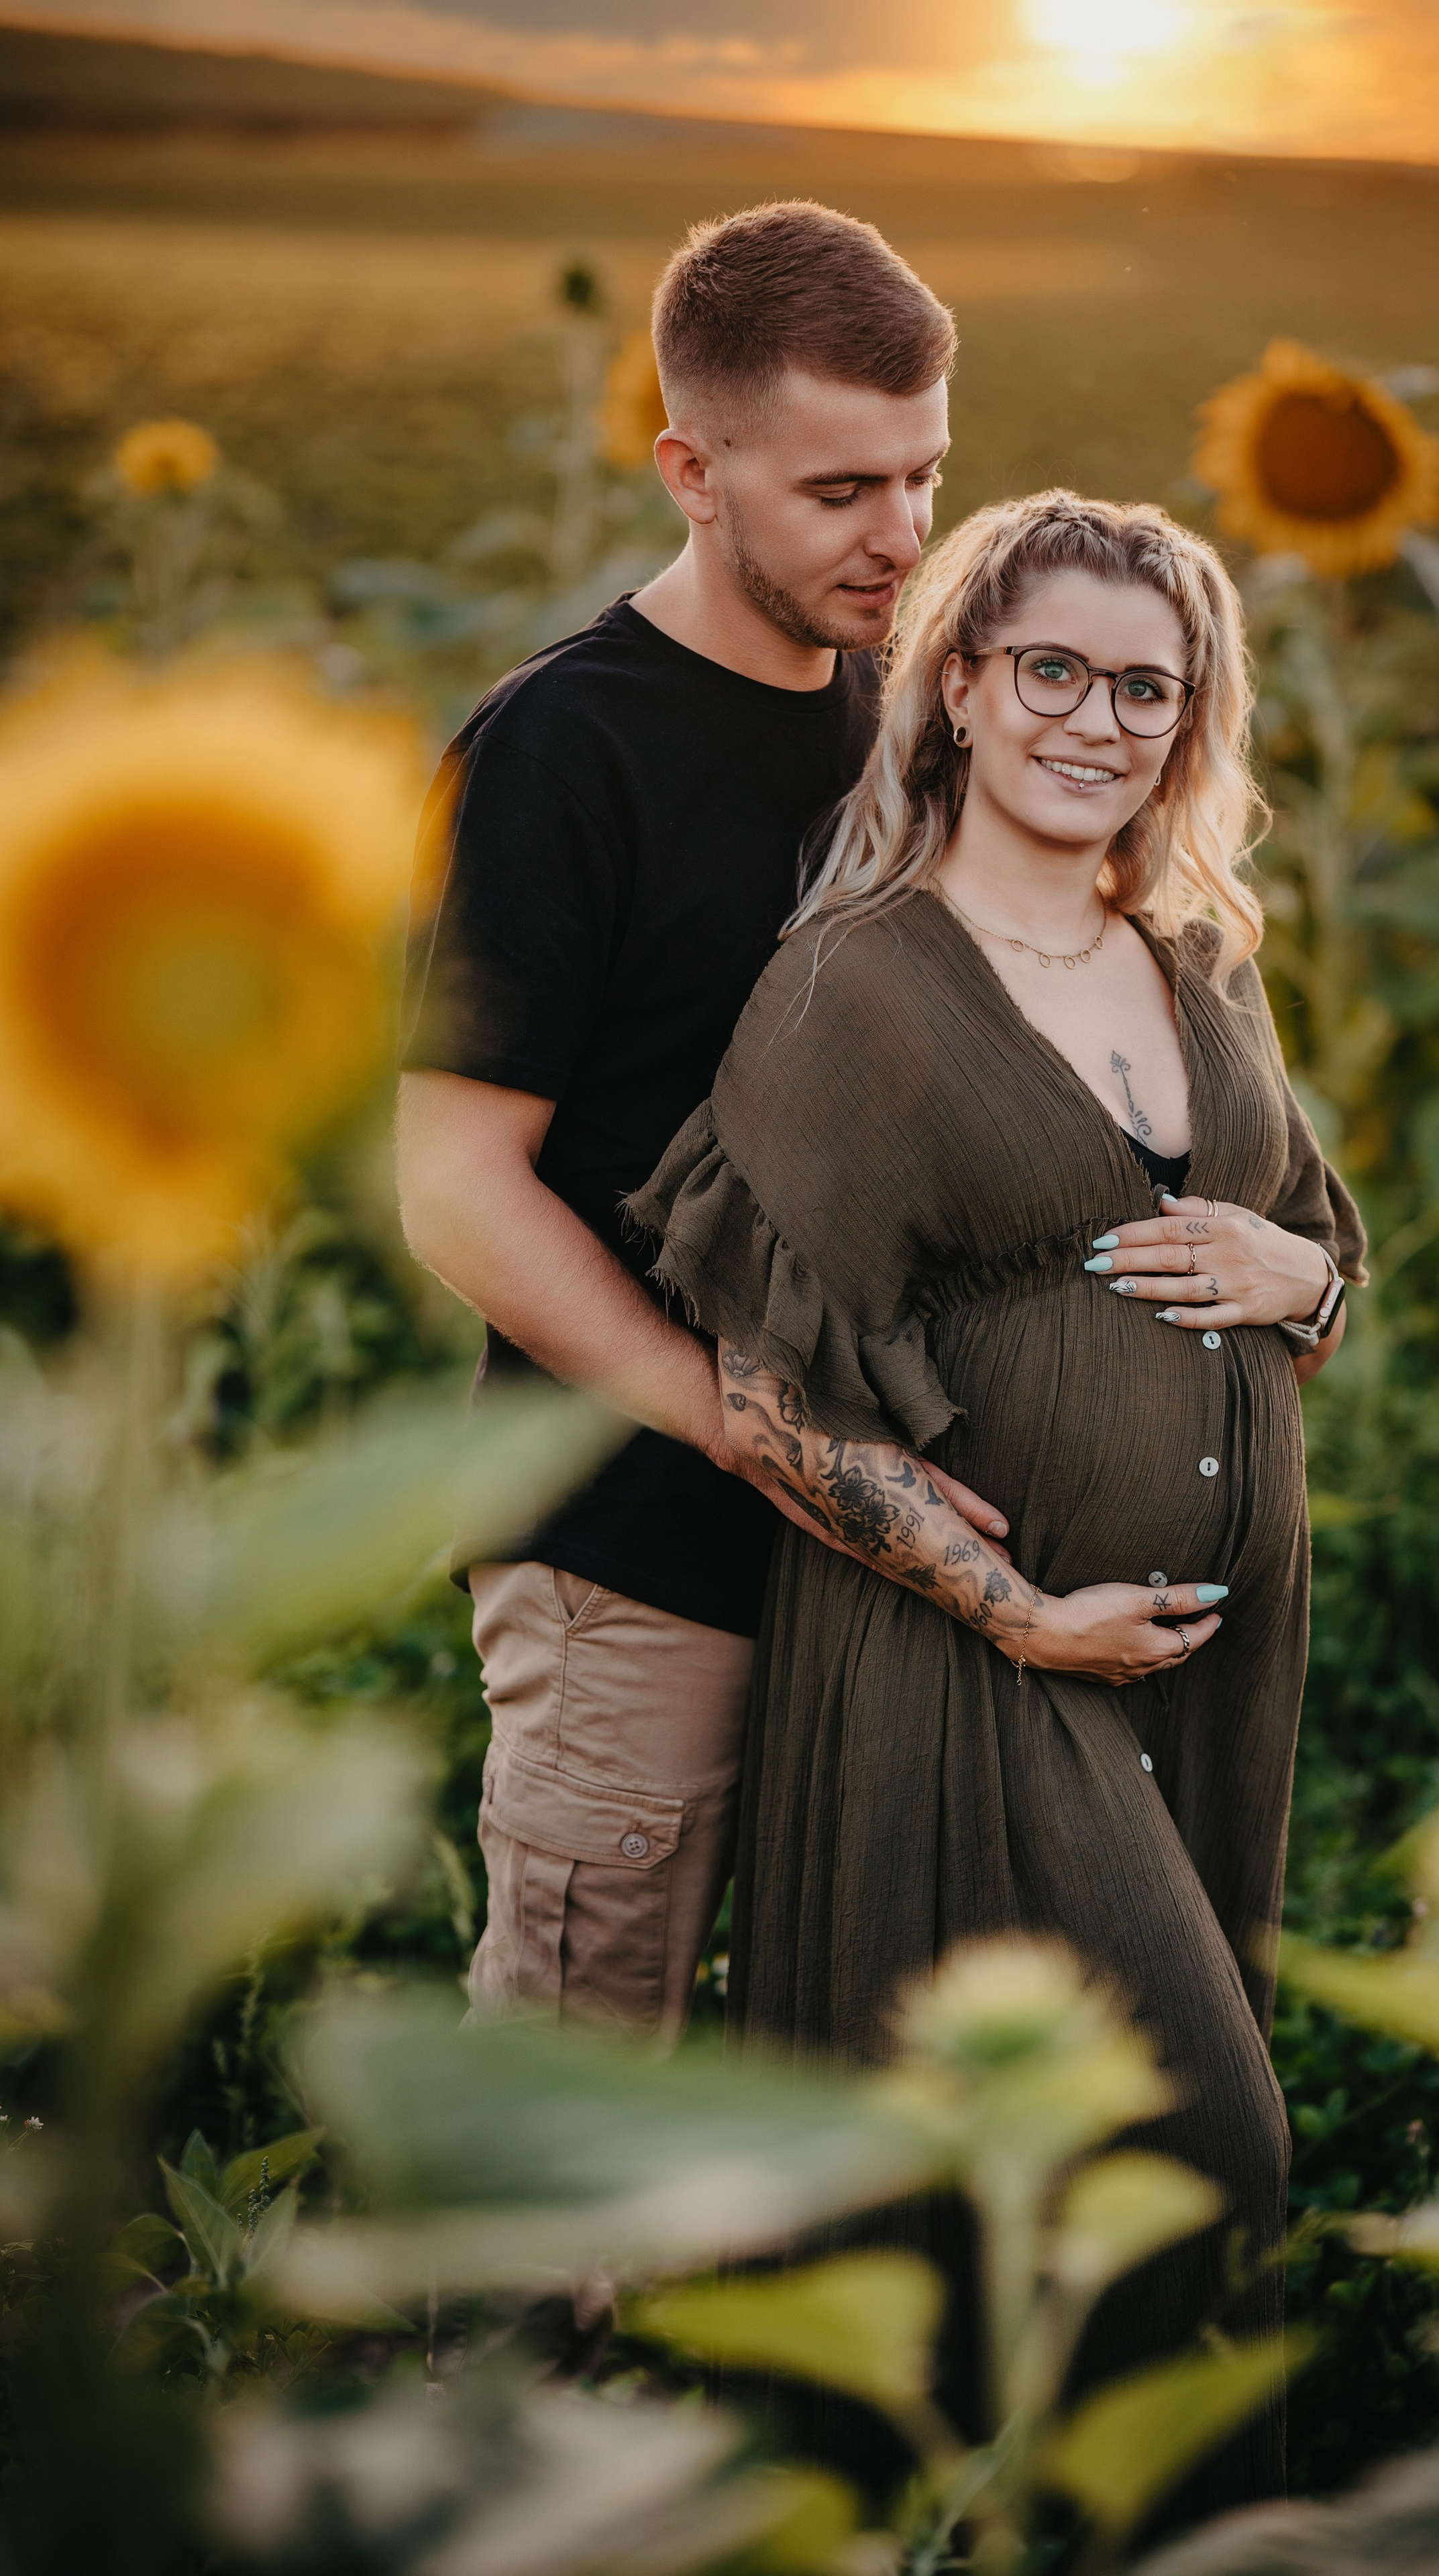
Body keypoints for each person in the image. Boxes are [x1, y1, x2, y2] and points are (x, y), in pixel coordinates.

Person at [627, 489, 1367, 2513]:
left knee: (1076, 2178)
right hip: (984, 1650)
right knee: (1202, 2142)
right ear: (957, 684)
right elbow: (773, 1399)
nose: (1098, 718)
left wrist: (1313, 1278)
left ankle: (1081, 2527)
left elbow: (1298, 1261)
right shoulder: (856, 988)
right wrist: (1014, 1607)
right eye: (1052, 667)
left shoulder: (1195, 961)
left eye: (1150, 686)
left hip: (1199, 1665)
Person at [395, 200, 1006, 2042]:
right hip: (632, 1548)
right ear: (691, 467)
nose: (901, 537)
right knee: (570, 2127)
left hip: (876, 1572)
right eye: (839, 492)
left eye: (923, 477)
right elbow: (455, 1187)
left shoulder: (903, 728)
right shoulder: (561, 754)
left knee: (808, 2124)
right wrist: (739, 1423)